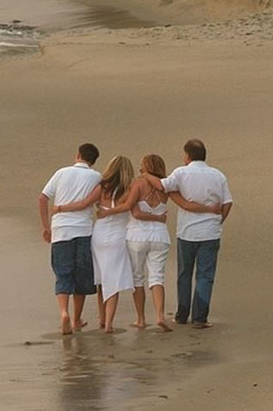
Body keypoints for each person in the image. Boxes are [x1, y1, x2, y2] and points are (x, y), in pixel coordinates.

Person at [96, 154, 220, 332]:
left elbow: (131, 209)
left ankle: (140, 319)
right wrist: (209, 209)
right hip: (160, 237)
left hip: (137, 236)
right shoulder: (167, 188)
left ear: (146, 167)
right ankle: (160, 316)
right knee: (157, 278)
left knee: (138, 278)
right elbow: (185, 204)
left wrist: (107, 212)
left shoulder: (137, 184)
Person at [142, 139, 233, 328]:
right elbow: (227, 202)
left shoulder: (181, 172)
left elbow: (161, 185)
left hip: (187, 232)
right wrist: (219, 220)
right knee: (205, 275)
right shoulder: (218, 175)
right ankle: (200, 317)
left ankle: (182, 314)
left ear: (187, 156)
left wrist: (145, 174)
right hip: (210, 232)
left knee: (184, 274)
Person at [54, 156, 138, 333]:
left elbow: (85, 203)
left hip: (98, 235)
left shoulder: (102, 186)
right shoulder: (130, 187)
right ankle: (108, 323)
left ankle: (102, 319)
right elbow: (129, 206)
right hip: (117, 235)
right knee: (112, 280)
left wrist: (61, 208)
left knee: (101, 279)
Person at [38, 143, 102, 335]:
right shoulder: (96, 176)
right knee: (81, 276)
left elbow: (42, 198)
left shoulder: (61, 172)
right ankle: (76, 319)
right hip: (83, 230)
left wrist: (45, 227)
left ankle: (63, 312)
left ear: (78, 155)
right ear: (93, 161)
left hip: (60, 229)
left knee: (63, 273)